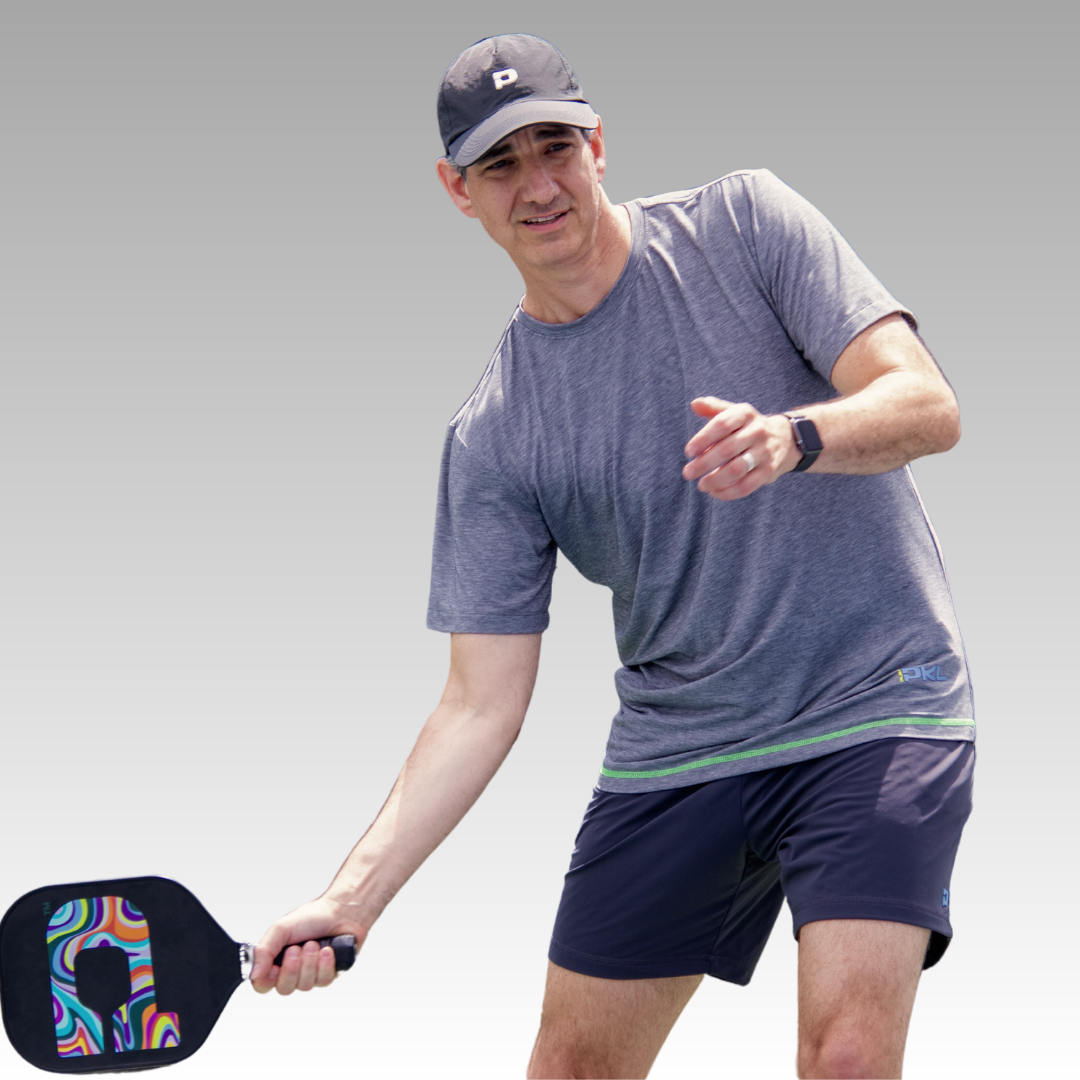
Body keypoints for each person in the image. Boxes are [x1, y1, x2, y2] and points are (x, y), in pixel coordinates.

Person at [251, 34, 974, 1080]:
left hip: (874, 706)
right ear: (458, 191)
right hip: (679, 746)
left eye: (557, 147)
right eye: (502, 163)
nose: (538, 184)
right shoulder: (496, 436)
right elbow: (477, 702)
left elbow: (929, 405)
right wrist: (351, 900)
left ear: (599, 143)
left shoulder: (747, 224)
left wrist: (796, 437)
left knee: (848, 1056)